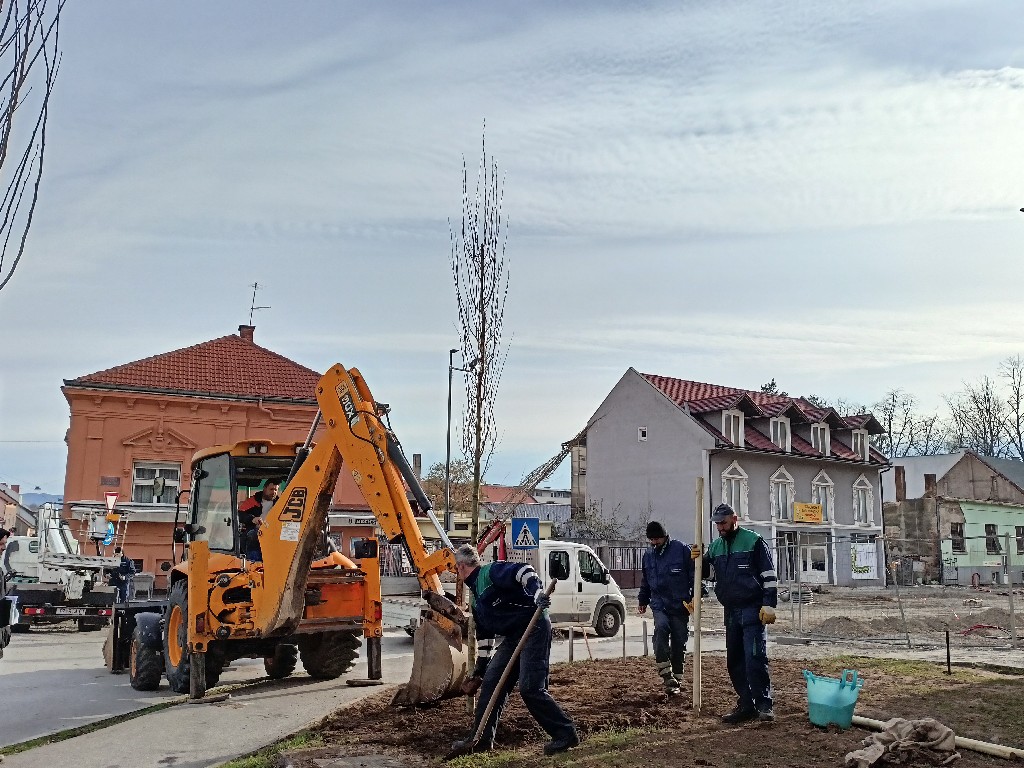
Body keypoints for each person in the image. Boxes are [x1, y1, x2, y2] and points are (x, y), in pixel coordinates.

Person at [450, 544, 579, 756]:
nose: (457, 572)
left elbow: (524, 571)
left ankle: (565, 734)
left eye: (456, 568)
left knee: (530, 688)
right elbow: (484, 638)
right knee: (492, 682)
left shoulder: (491, 573)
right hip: (514, 637)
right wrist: (480, 671)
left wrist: (537, 593)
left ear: (461, 567)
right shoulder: (475, 599)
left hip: (534, 627)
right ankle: (480, 741)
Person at [695, 503, 778, 723]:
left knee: (754, 658)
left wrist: (769, 604)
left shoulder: (753, 541)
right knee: (735, 660)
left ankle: (764, 705)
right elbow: (708, 575)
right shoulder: (715, 547)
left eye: (723, 522)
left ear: (734, 519)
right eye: (717, 524)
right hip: (730, 611)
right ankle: (746, 704)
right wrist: (696, 560)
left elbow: (769, 575)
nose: (719, 527)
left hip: (752, 609)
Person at [637, 520, 695, 695]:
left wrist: (695, 596)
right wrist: (642, 601)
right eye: (651, 540)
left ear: (665, 536)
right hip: (659, 604)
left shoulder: (681, 550)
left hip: (680, 605)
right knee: (661, 628)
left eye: (657, 539)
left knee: (679, 642)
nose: (654, 542)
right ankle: (665, 673)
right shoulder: (648, 555)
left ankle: (676, 680)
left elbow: (694, 573)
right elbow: (645, 580)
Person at [238, 479, 280, 562]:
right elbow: (240, 514)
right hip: (254, 530)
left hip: (274, 531)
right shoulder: (253, 501)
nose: (274, 492)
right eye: (271, 489)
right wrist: (252, 519)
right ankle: (254, 563)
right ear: (265, 488)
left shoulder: (280, 503)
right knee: (253, 535)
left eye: (276, 490)